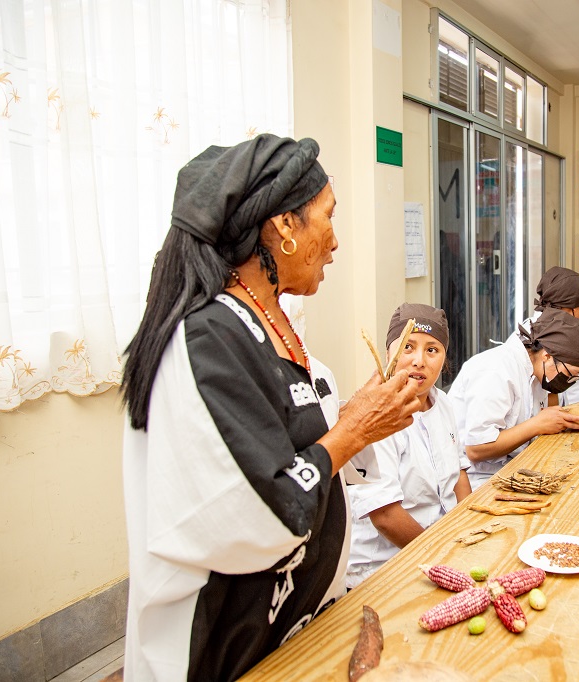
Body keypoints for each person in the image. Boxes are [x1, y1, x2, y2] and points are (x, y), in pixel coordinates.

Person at [119, 135, 421, 681]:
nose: (334, 243)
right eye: (328, 217)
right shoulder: (209, 339)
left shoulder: (271, 320)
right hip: (219, 650)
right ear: (285, 226)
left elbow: (285, 437)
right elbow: (251, 509)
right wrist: (351, 431)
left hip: (293, 630)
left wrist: (363, 414)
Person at [346, 304, 471, 588]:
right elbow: (385, 515)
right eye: (408, 347)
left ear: (444, 359)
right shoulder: (376, 417)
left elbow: (459, 475)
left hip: (442, 553)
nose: (419, 361)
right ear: (388, 353)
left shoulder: (444, 405)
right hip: (384, 568)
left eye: (432, 350)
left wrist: (468, 531)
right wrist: (441, 555)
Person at [448, 308, 579, 490]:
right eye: (570, 374)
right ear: (547, 355)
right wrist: (537, 425)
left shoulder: (538, 371)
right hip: (476, 480)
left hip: (512, 468)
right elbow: (477, 449)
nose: (570, 381)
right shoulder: (495, 371)